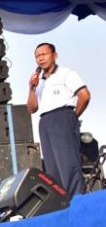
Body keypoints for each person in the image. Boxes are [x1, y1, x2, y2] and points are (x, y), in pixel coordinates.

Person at [27, 42, 91, 197]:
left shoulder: (66, 73)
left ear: (55, 55)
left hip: (63, 116)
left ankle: (77, 201)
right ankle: (62, 204)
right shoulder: (39, 81)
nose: (40, 59)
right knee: (52, 168)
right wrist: (32, 88)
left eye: (44, 54)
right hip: (45, 121)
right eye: (37, 56)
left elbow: (84, 95)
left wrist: (74, 116)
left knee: (68, 164)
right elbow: (31, 108)